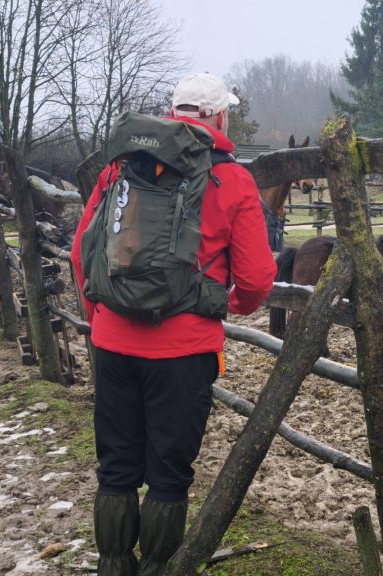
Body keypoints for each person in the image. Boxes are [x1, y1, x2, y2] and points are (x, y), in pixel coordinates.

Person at [70, 72, 277, 576]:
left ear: (174, 112)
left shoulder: (123, 167)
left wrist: (100, 316)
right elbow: (255, 276)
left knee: (116, 468)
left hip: (113, 345)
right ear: (216, 116)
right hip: (184, 352)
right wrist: (236, 306)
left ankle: (114, 567)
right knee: (167, 475)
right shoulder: (231, 178)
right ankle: (158, 569)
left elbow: (82, 251)